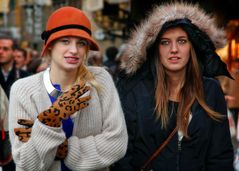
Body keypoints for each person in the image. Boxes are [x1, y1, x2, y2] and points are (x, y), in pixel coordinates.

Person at [112, 2, 234, 171]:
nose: (174, 49)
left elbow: (220, 157)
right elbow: (123, 154)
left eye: (182, 41)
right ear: (156, 48)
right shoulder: (136, 92)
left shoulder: (210, 91)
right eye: (165, 42)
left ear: (192, 46)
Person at [9, 6, 127, 171]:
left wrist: (63, 149)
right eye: (65, 41)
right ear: (50, 45)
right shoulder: (23, 89)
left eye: (81, 43)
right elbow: (26, 163)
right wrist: (50, 120)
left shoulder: (99, 80)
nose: (74, 50)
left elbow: (116, 144)